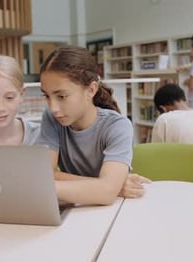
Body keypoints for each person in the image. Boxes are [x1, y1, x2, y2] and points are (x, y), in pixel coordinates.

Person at [36, 45, 150, 206]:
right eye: (47, 96)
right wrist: (109, 185)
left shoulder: (118, 126)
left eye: (61, 96)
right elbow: (44, 174)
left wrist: (108, 189)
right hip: (76, 206)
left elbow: (107, 195)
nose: (53, 108)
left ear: (91, 89)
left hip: (117, 210)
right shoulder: (51, 118)